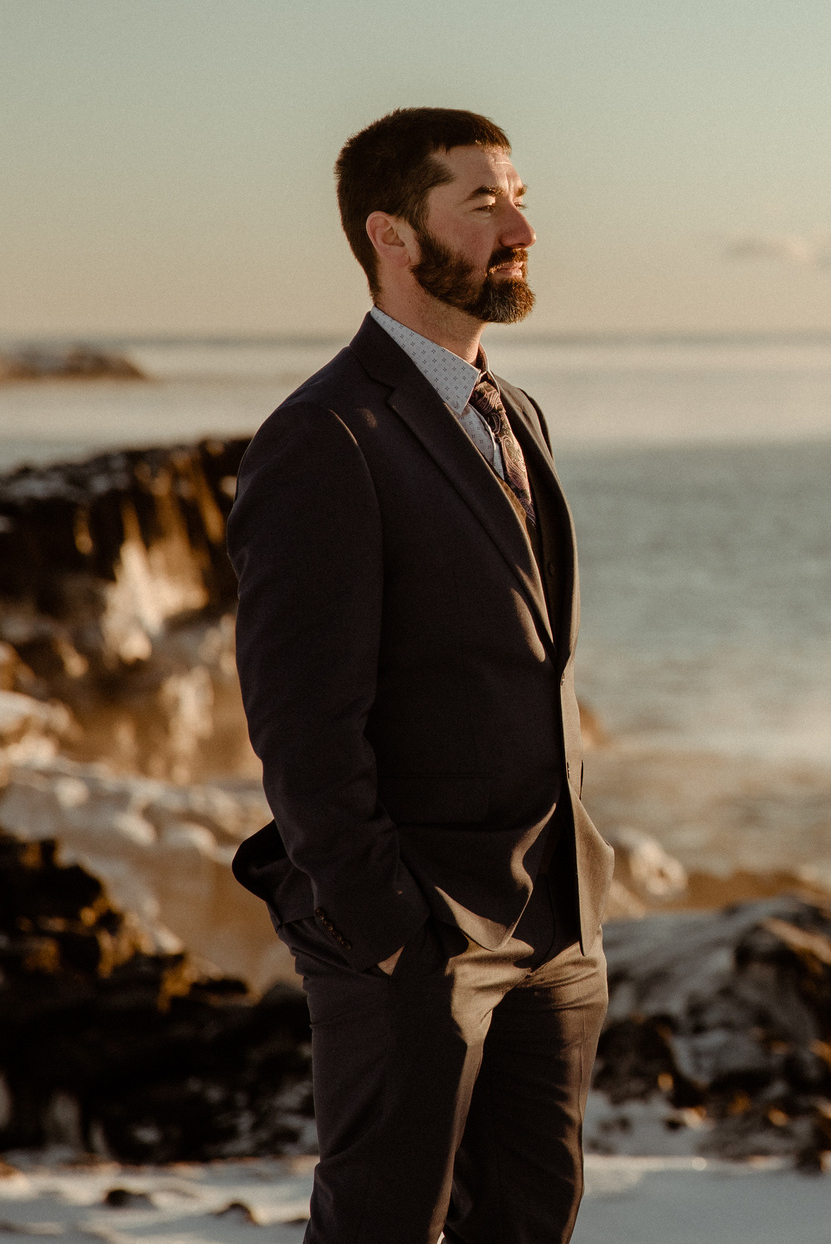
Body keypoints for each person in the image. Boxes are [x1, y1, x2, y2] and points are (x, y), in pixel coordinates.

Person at [227, 108, 613, 1244]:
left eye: (520, 194)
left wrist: (580, 895)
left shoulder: (516, 413)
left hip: (557, 920)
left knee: (531, 1223)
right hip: (423, 931)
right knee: (382, 1230)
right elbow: (301, 721)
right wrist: (387, 924)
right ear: (390, 234)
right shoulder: (323, 437)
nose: (521, 225)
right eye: (483, 201)